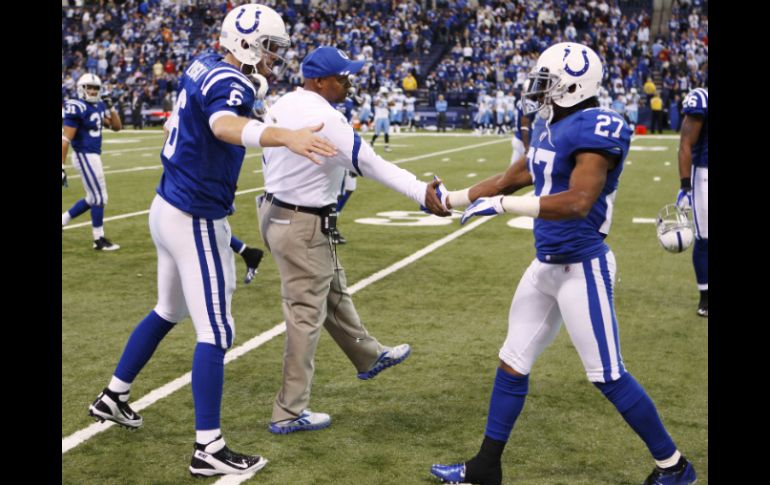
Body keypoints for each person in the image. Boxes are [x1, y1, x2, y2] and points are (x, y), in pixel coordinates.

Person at [429, 42, 697, 485]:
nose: (540, 92)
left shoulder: (599, 126)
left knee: (608, 375)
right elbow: (512, 177)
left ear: (574, 85)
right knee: (512, 360)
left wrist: (499, 207)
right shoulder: (551, 123)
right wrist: (452, 199)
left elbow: (577, 201)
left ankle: (676, 468)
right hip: (547, 265)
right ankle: (484, 468)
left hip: (582, 266)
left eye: (548, 83)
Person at [86, 4, 337, 478]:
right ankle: (209, 448)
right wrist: (285, 136)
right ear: (246, 44)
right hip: (195, 215)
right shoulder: (232, 82)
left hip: (166, 205)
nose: (274, 56)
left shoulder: (204, 63)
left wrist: (254, 96)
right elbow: (224, 125)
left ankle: (113, 396)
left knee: (168, 310)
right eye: (269, 47)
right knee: (217, 332)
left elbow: (206, 113)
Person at [258, 46, 449, 435]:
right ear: (319, 81)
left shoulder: (286, 101)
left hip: (279, 212)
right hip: (301, 220)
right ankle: (289, 411)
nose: (349, 83)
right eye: (342, 78)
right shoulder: (325, 117)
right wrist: (419, 192)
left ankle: (368, 354)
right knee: (305, 317)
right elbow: (371, 163)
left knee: (332, 288)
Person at [62, 73, 123, 250]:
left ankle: (63, 220)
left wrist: (111, 108)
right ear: (81, 88)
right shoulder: (77, 106)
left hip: (93, 155)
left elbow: (117, 127)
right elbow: (66, 139)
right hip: (84, 155)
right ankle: (99, 239)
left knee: (92, 197)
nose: (93, 91)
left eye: (96, 88)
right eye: (90, 87)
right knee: (100, 198)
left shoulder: (97, 106)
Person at [676, 86, 708, 317]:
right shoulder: (701, 99)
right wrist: (685, 186)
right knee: (705, 237)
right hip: (705, 175)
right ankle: (706, 296)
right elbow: (686, 143)